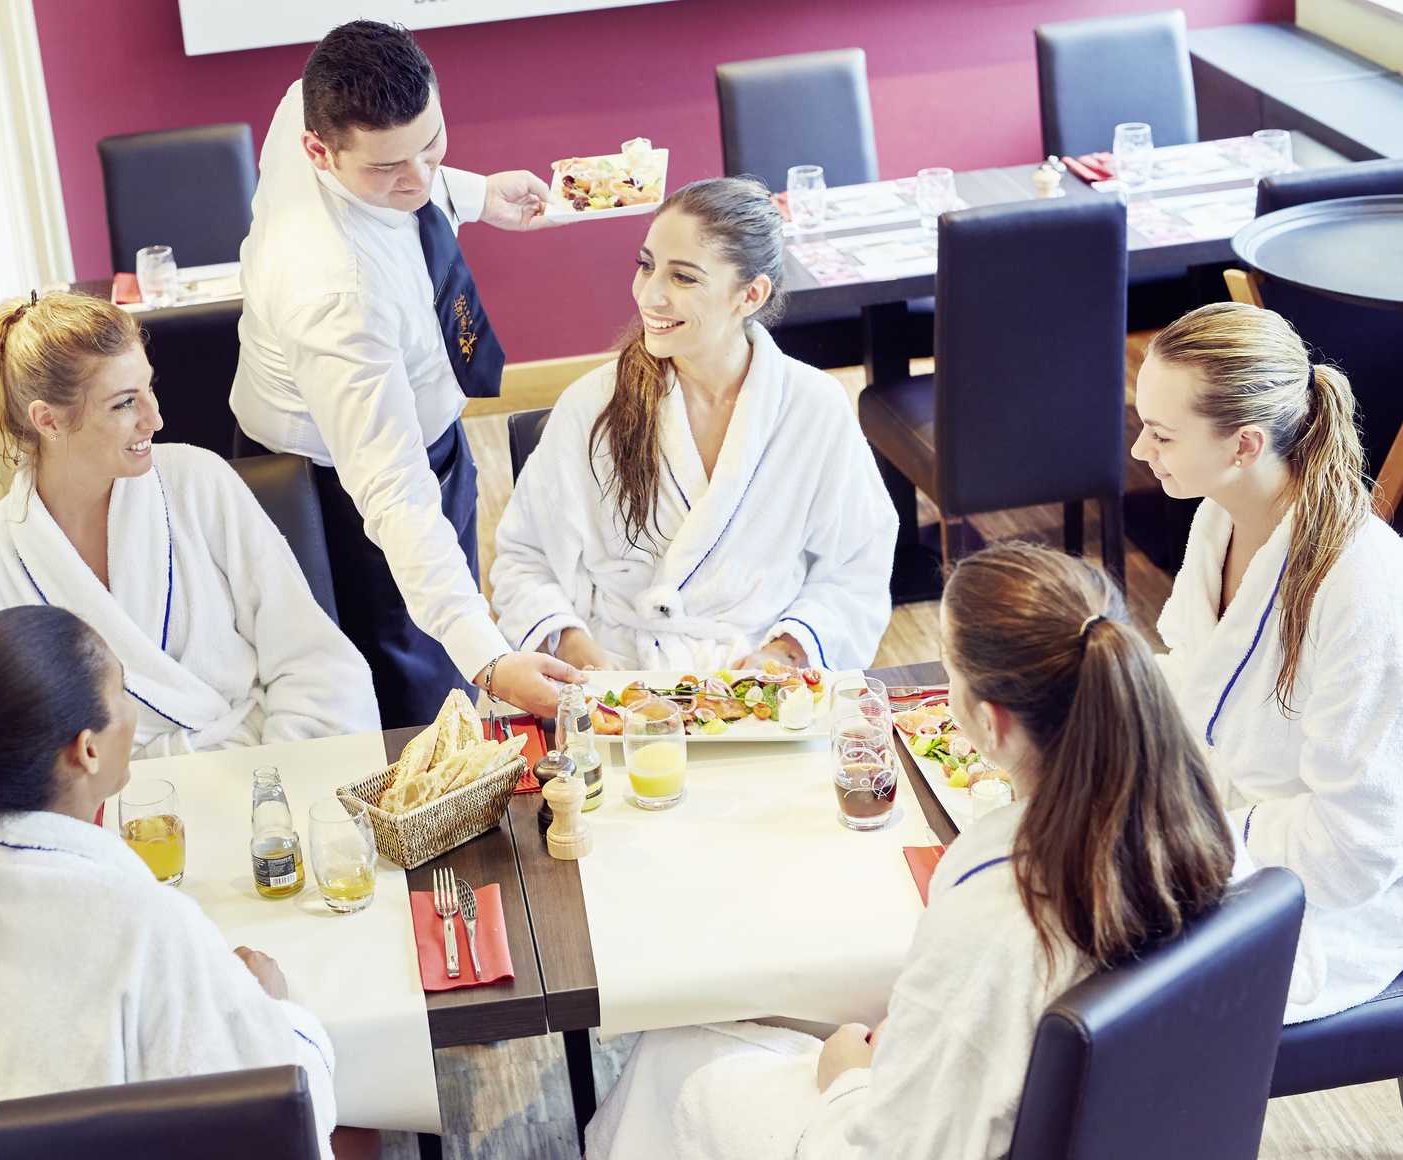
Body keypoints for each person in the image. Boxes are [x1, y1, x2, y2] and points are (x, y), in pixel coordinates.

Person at [586, 544, 1235, 1159]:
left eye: (949, 674)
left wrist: (847, 1079)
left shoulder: (997, 916)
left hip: (905, 1135)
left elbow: (884, 1144)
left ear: (991, 723)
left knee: (672, 1053)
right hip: (1123, 1126)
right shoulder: (1199, 833)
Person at [0, 606, 353, 1159]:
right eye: (121, 693)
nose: (133, 712)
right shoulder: (144, 922)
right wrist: (271, 1007)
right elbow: (279, 1113)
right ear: (87, 749)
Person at [230, 19, 582, 727]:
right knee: (415, 703)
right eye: (388, 168)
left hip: (425, 428)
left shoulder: (312, 96)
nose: (419, 179)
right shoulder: (335, 293)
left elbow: (410, 170)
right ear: (317, 150)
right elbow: (392, 491)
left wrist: (474, 195)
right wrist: (489, 657)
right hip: (331, 486)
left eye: (432, 143)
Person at [490, 177, 896, 673]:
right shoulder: (593, 406)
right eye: (646, 265)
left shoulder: (814, 408)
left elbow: (857, 565)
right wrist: (578, 652)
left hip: (759, 678)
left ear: (750, 295)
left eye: (683, 278)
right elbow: (524, 558)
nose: (649, 295)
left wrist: (783, 654)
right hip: (617, 675)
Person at [0, 291, 379, 756]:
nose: (154, 419)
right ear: (48, 420)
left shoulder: (199, 481)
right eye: (124, 403)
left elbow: (314, 660)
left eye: (148, 388)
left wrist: (277, 779)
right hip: (111, 798)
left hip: (259, 766)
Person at [1135, 301, 1403, 1023]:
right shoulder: (1219, 516)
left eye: (1161, 434)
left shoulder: (1362, 585)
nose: (1138, 449)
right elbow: (1198, 677)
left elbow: (1357, 846)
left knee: (1074, 973)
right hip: (1204, 830)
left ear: (1244, 445)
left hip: (1320, 901)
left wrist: (1190, 840)